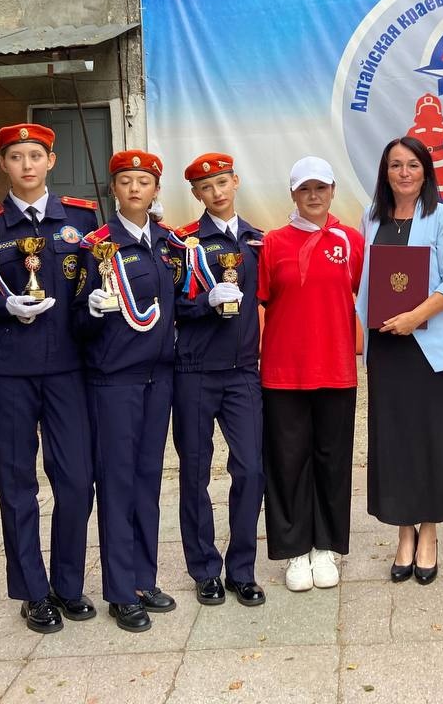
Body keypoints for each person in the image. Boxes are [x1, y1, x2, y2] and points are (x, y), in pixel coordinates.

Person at [0, 123, 98, 634]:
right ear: (3, 164)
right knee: (16, 484)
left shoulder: (81, 221)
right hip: (7, 374)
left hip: (68, 370)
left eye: (35, 155)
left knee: (75, 480)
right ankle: (32, 591)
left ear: (51, 160)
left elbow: (95, 287)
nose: (26, 165)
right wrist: (3, 306)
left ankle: (68, 583)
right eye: (16, 156)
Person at [73, 150, 179, 633]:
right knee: (116, 481)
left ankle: (144, 576)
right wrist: (92, 309)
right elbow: (72, 320)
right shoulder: (97, 245)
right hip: (113, 379)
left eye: (144, 181)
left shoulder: (168, 243)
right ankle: (119, 590)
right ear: (113, 189)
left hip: (159, 377)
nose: (135, 188)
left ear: (157, 189)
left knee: (147, 479)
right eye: (125, 181)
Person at [356, 137, 443, 584]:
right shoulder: (371, 217)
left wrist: (414, 316)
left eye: (413, 165)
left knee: (429, 440)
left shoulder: (441, 218)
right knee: (393, 441)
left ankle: (430, 533)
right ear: (385, 173)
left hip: (426, 348)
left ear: (426, 171)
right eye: (395, 165)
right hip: (386, 347)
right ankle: (404, 533)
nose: (404, 173)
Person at [257, 156, 364, 592]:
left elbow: (369, 294)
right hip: (284, 371)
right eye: (305, 189)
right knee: (287, 462)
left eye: (321, 187)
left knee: (332, 460)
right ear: (293, 195)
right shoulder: (273, 243)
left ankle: (326, 545)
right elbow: (261, 301)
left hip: (336, 368)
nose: (314, 196)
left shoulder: (352, 241)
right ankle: (295, 549)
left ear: (334, 190)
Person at [171, 153, 266, 608]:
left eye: (223, 182)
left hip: (244, 371)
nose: (217, 192)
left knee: (250, 469)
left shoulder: (257, 241)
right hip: (193, 372)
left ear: (236, 180)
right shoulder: (183, 243)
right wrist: (204, 300)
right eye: (207, 187)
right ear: (196, 194)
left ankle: (242, 569)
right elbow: (171, 307)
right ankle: (205, 569)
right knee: (195, 472)